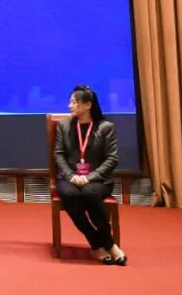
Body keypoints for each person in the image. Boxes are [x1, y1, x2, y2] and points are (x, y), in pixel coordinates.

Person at [54, 85, 127, 265]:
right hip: (70, 177)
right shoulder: (64, 126)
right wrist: (71, 176)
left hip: (97, 179)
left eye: (74, 102)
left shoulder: (105, 127)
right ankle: (100, 243)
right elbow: (59, 154)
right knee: (70, 194)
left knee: (89, 193)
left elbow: (112, 159)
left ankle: (107, 244)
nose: (70, 105)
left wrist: (90, 177)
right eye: (70, 101)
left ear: (87, 105)